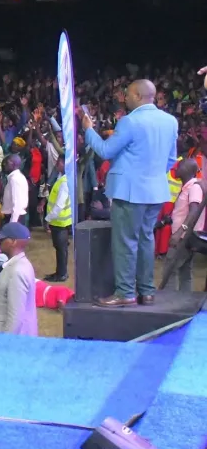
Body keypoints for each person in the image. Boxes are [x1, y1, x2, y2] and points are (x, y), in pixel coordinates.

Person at [82, 79, 178, 306]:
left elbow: (105, 150)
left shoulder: (130, 122)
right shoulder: (170, 121)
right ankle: (146, 291)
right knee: (146, 239)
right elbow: (171, 159)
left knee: (125, 242)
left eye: (126, 95)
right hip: (155, 191)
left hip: (129, 192)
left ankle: (125, 293)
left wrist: (89, 130)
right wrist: (150, 174)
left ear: (137, 95)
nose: (124, 99)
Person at [0, 223, 38, 336]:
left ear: (13, 242)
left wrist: (7, 342)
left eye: (3, 239)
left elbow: (16, 316)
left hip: (8, 338)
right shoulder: (20, 264)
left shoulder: (17, 271)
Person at [167, 158, 205, 292]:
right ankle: (184, 299)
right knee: (185, 271)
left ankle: (168, 299)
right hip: (186, 237)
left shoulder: (194, 187)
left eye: (179, 166)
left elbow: (194, 211)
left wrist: (179, 232)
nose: (176, 169)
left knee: (170, 271)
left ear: (187, 170)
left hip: (184, 238)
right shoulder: (188, 187)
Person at [43, 154, 72, 282]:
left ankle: (62, 274)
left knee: (61, 250)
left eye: (59, 162)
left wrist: (48, 219)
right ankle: (60, 272)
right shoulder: (63, 178)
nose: (57, 164)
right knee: (61, 249)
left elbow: (59, 205)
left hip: (59, 222)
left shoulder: (64, 182)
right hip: (60, 221)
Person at [0, 154, 29, 227]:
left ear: (13, 164)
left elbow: (17, 203)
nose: (4, 164)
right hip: (14, 216)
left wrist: (12, 224)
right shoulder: (16, 177)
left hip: (15, 217)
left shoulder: (15, 179)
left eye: (6, 162)